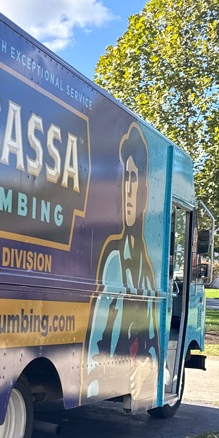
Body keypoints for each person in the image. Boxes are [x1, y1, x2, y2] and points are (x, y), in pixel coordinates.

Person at [85, 123, 160, 403]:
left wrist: (144, 370)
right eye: (125, 179)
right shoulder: (114, 260)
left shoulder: (148, 277)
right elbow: (94, 348)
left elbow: (152, 345)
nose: (128, 190)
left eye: (135, 179)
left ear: (143, 193)